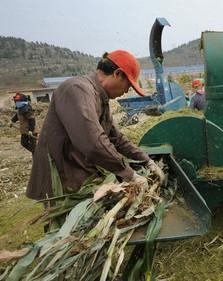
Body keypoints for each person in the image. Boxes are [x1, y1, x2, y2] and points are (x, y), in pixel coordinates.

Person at [27, 50, 165, 201]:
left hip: (76, 171)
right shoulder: (77, 89)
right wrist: (129, 174)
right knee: (66, 222)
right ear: (117, 74)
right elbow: (93, 142)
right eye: (128, 85)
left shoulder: (100, 98)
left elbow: (116, 138)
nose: (126, 91)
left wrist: (147, 161)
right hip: (61, 177)